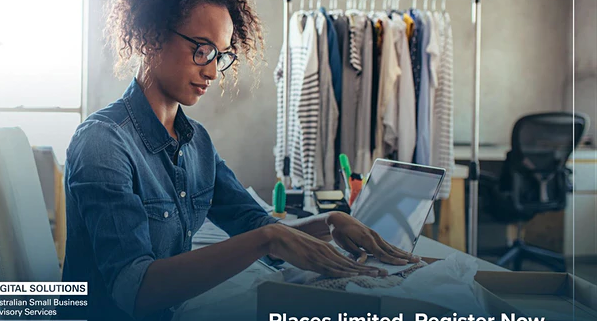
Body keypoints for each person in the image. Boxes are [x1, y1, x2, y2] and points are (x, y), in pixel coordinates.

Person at [60, 1, 419, 320]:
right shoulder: (102, 143)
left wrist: (329, 222)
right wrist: (268, 238)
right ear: (150, 35)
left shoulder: (196, 142)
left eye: (221, 55)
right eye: (202, 50)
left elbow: (255, 225)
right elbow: (134, 292)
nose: (213, 72)